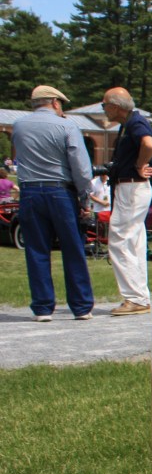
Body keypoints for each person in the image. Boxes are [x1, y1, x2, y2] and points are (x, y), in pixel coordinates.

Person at [11, 85, 95, 321]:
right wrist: (84, 198)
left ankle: (42, 307)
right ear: (56, 103)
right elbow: (80, 167)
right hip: (60, 191)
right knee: (72, 248)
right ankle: (81, 306)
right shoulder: (67, 125)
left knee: (36, 249)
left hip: (29, 191)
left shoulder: (19, 126)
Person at [101, 86, 152, 316]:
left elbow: (149, 144)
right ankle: (139, 295)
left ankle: (134, 297)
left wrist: (139, 165)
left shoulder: (135, 123)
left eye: (105, 105)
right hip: (131, 188)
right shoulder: (129, 124)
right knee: (134, 242)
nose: (104, 109)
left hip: (131, 187)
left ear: (115, 106)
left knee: (119, 240)